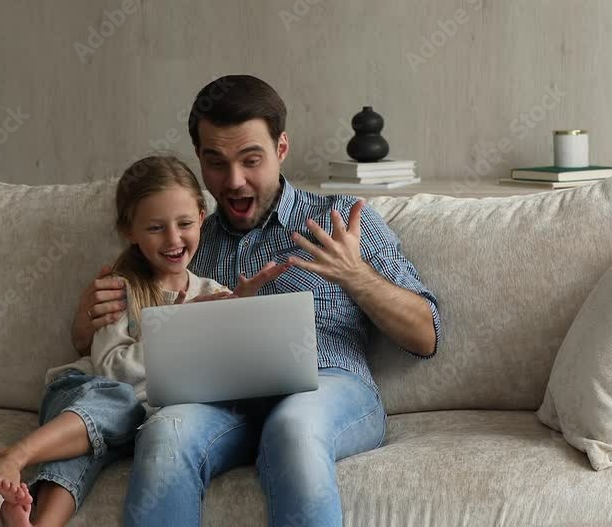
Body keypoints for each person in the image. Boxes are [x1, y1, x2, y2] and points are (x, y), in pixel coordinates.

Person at [72, 75, 443, 526]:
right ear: (199, 158)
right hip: (217, 402)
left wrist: (356, 275)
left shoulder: (340, 220)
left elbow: (426, 335)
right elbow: (113, 344)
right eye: (216, 163)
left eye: (251, 160)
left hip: (325, 387)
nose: (234, 181)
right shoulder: (184, 238)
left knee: (293, 427)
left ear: (281, 148)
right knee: (166, 432)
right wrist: (84, 323)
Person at [0, 155, 288, 527]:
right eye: (155, 228)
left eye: (185, 223)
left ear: (202, 217)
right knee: (118, 404)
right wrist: (174, 330)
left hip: (129, 423)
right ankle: (13, 455)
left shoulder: (213, 294)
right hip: (84, 393)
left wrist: (243, 320)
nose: (173, 239)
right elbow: (110, 371)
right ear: (129, 231)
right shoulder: (122, 288)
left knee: (88, 450)